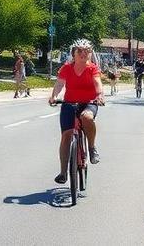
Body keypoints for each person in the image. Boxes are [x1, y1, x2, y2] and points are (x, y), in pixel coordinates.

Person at [49, 39, 105, 183]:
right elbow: (60, 84)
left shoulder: (92, 68)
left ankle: (92, 148)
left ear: (90, 54)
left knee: (87, 117)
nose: (83, 54)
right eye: (79, 51)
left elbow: (97, 83)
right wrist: (54, 96)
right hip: (69, 103)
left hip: (89, 103)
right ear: (73, 53)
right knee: (66, 136)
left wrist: (99, 96)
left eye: (86, 51)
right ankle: (63, 173)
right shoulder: (66, 68)